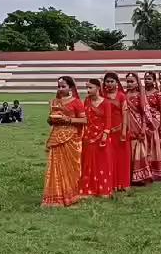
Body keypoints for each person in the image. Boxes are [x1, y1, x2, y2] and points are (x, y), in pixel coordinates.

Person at [43, 76, 86, 207]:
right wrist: (51, 120)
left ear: (70, 88)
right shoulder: (55, 102)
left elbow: (84, 121)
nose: (61, 89)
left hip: (70, 138)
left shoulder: (77, 102)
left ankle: (70, 195)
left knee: (69, 168)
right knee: (55, 167)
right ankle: (55, 196)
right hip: (57, 137)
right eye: (59, 86)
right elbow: (50, 120)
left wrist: (68, 120)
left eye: (64, 86)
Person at [79, 78, 114, 198]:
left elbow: (108, 121)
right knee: (88, 163)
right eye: (87, 88)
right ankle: (88, 188)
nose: (88, 90)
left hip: (101, 137)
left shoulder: (106, 103)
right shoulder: (87, 101)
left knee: (102, 163)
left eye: (90, 88)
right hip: (88, 136)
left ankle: (103, 189)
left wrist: (104, 136)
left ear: (98, 88)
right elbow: (85, 119)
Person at [103, 72, 131, 192]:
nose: (109, 84)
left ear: (116, 83)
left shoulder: (121, 96)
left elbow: (125, 114)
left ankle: (123, 183)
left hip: (120, 131)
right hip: (107, 130)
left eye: (111, 81)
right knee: (109, 158)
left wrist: (123, 130)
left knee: (122, 158)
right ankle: (111, 183)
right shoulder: (102, 95)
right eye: (107, 81)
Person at [125, 72, 152, 185]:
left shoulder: (141, 95)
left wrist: (143, 128)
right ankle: (130, 176)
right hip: (127, 127)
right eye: (128, 81)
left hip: (138, 126)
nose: (129, 84)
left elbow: (145, 113)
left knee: (139, 151)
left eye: (132, 81)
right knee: (129, 151)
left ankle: (141, 177)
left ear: (137, 83)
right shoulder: (125, 95)